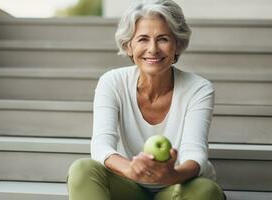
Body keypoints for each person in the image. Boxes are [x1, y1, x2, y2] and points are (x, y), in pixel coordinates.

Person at [67, 0, 226, 199]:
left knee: (206, 190)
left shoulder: (199, 89)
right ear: (128, 46)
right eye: (142, 39)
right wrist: (130, 169)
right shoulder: (112, 82)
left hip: (176, 186)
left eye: (163, 39)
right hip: (127, 184)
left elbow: (195, 154)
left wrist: (171, 175)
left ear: (177, 45)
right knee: (82, 169)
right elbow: (101, 146)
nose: (153, 49)